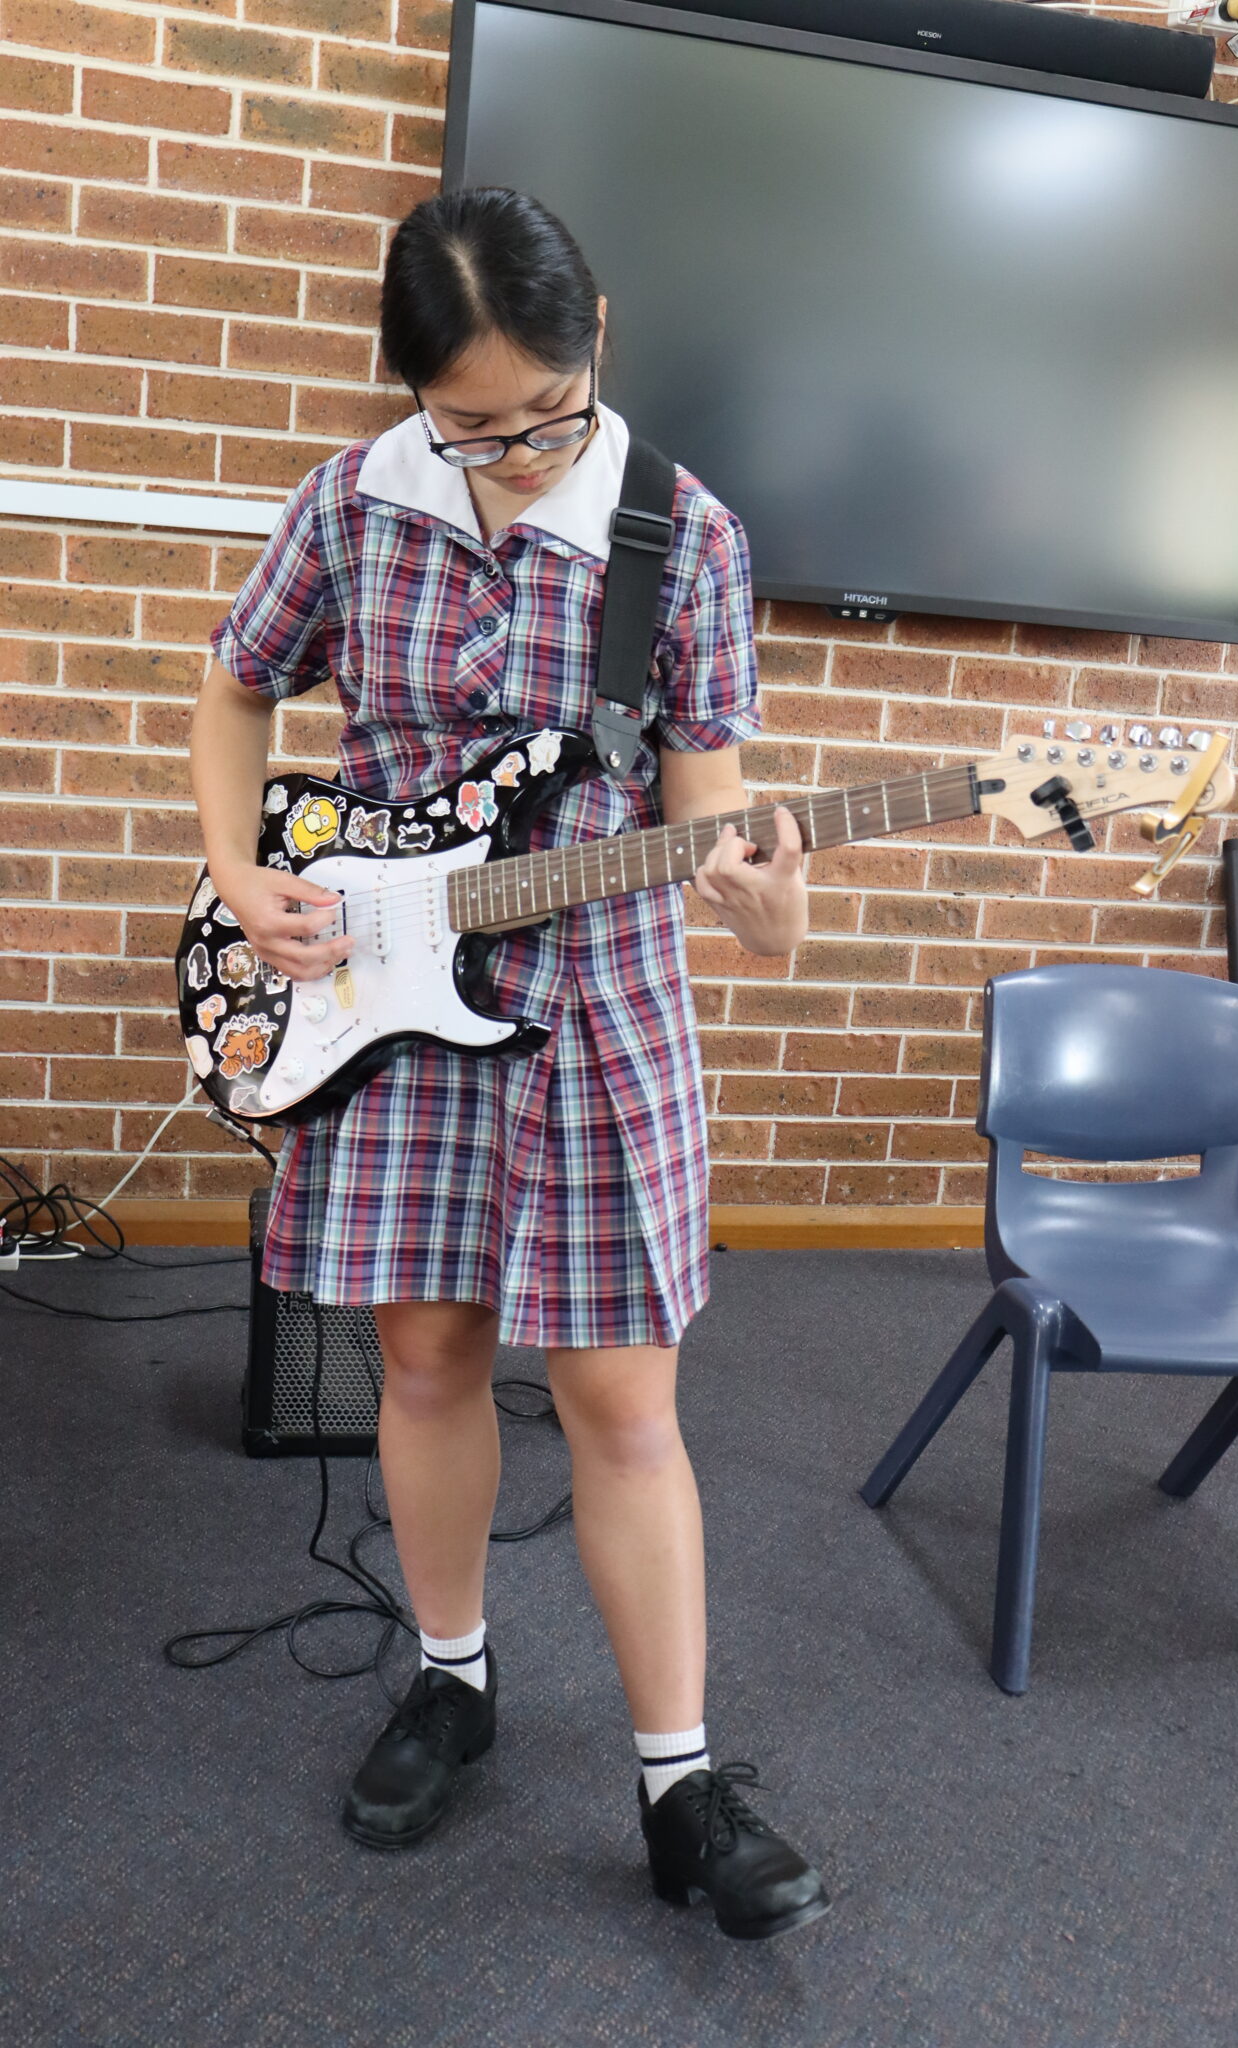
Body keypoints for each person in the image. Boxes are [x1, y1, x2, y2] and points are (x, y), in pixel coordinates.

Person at [189, 186, 828, 1942]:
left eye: (547, 410)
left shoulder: (682, 538)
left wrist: (765, 904)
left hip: (604, 999)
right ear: (411, 392)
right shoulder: (349, 504)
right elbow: (235, 687)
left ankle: (681, 1785)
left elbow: (711, 829)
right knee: (422, 1363)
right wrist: (242, 873)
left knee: (623, 1404)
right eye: (472, 426)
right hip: (391, 996)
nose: (520, 454)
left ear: (594, 336)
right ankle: (452, 1679)